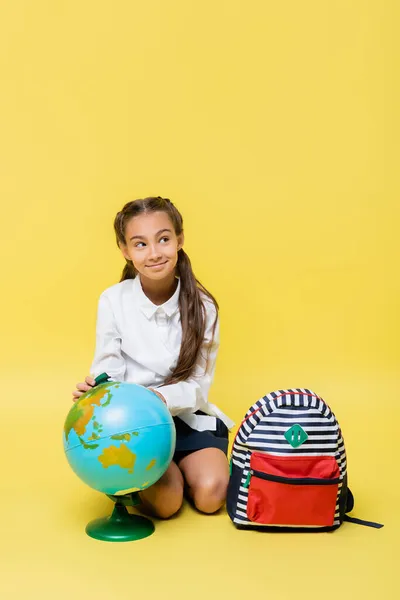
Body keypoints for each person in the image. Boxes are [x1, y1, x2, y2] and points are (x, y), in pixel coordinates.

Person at [73, 196, 234, 519]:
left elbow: (198, 386)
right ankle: (155, 476)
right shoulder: (113, 300)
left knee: (211, 496)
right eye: (140, 244)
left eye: (163, 239)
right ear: (125, 250)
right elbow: (108, 366)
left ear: (179, 239)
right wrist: (96, 392)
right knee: (167, 505)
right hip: (136, 424)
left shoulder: (204, 306)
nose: (155, 253)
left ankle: (182, 467)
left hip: (187, 416)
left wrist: (157, 397)